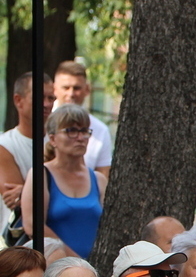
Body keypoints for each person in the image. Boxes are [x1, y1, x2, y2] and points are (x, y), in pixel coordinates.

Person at [19, 104, 106, 258]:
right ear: (52, 139)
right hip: (54, 269)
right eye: (71, 131)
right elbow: (32, 225)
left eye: (84, 131)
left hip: (94, 270)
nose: (80, 138)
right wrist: (74, 260)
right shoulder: (41, 175)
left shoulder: (98, 179)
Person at [0, 72, 53, 214]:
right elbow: (13, 200)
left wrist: (24, 191)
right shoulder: (5, 145)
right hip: (19, 234)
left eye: (51, 98)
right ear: (18, 101)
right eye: (39, 97)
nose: (47, 104)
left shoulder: (60, 142)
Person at [51, 61, 113, 177]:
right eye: (66, 87)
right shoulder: (41, 122)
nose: (71, 93)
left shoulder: (100, 130)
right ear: (54, 89)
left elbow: (103, 178)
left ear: (87, 89)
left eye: (77, 88)